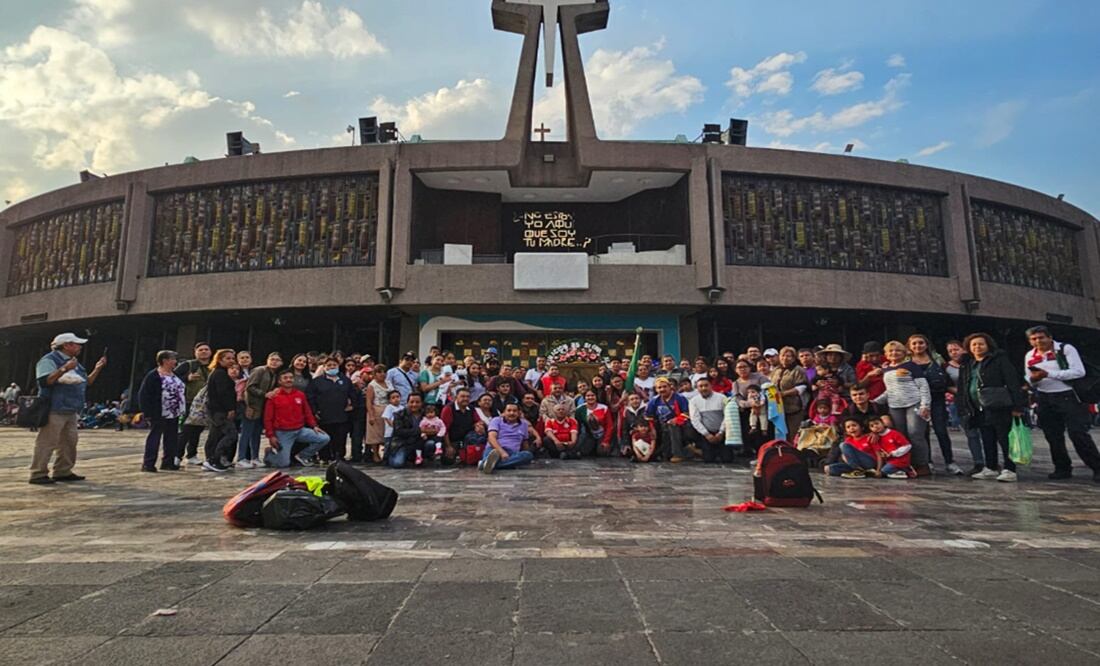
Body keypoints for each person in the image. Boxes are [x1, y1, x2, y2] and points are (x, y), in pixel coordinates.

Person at [1024, 326, 1100, 482]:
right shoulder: (1030, 355)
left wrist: (1049, 374)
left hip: (1068, 396)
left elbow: (1079, 371)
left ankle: (1097, 467)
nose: (1038, 341)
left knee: (1078, 433)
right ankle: (1062, 467)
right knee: (1053, 436)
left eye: (1041, 337)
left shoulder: (1065, 349)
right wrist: (1032, 380)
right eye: (1034, 339)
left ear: (1050, 337)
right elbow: (1028, 376)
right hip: (1044, 397)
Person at [28, 333, 106, 484]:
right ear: (66, 345)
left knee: (69, 442)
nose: (80, 347)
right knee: (47, 441)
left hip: (71, 409)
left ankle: (63, 471)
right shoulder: (49, 360)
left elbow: (86, 382)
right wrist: (64, 368)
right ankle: (38, 473)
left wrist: (97, 369)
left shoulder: (75, 363)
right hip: (54, 407)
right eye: (77, 344)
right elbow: (45, 381)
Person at [957, 333, 1027, 482]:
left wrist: (1017, 405)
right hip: (977, 407)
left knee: (1004, 438)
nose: (977, 347)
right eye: (974, 344)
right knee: (987, 437)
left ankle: (1010, 469)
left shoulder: (999, 360)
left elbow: (1013, 382)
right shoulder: (968, 364)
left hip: (999, 405)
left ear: (988, 345)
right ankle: (991, 467)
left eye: (981, 344)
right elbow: (963, 386)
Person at [875, 341, 932, 476]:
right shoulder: (887, 369)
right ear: (886, 354)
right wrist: (875, 401)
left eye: (898, 351)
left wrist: (925, 405)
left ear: (904, 352)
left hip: (914, 403)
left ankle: (923, 464)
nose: (894, 353)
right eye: (891, 351)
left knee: (915, 434)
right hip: (895, 405)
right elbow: (890, 390)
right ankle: (906, 463)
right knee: (901, 437)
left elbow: (923, 386)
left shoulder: (911, 366)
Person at [907, 334, 961, 475]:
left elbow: (947, 378)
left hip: (936, 398)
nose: (917, 346)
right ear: (909, 346)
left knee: (941, 431)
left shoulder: (936, 358)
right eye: (914, 344)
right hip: (916, 400)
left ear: (926, 344)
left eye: (921, 343)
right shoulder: (907, 361)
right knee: (921, 433)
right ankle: (927, 461)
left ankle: (949, 461)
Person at [262, 370, 330, 468]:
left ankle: (302, 456)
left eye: (290, 377)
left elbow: (307, 412)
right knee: (283, 464)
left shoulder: (300, 395)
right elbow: (268, 418)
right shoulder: (273, 397)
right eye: (285, 378)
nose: (288, 380)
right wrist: (271, 435)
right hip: (283, 433)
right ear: (280, 381)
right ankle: (269, 455)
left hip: (300, 430)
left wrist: (314, 426)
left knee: (324, 438)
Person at [136, 350, 186, 473]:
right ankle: (149, 463)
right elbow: (144, 394)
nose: (175, 362)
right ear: (165, 361)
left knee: (171, 437)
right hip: (158, 411)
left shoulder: (174, 375)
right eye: (173, 359)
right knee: (155, 436)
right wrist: (147, 412)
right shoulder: (154, 375)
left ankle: (168, 462)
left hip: (173, 412)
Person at [307, 357, 358, 462]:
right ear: (324, 367)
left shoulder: (345, 380)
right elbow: (311, 397)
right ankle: (324, 457)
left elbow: (353, 394)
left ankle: (339, 456)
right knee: (325, 438)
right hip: (324, 415)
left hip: (341, 415)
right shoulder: (317, 381)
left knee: (340, 437)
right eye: (329, 365)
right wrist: (314, 411)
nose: (332, 367)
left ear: (338, 366)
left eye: (334, 365)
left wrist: (352, 405)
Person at [239, 352, 282, 468]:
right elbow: (250, 387)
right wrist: (264, 394)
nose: (274, 362)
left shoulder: (274, 374)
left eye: (277, 360)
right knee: (246, 433)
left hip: (263, 408)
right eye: (272, 359)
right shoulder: (260, 371)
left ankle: (255, 457)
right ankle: (241, 457)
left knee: (256, 434)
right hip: (252, 406)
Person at [201, 349, 238, 472]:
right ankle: (215, 459)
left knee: (215, 435)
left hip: (216, 410)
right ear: (220, 359)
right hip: (219, 411)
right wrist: (230, 408)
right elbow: (223, 394)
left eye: (232, 358)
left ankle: (212, 459)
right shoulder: (220, 374)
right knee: (230, 434)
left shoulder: (220, 373)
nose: (231, 360)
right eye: (228, 358)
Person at [175, 341, 212, 466]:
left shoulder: (212, 367)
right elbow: (173, 377)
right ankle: (177, 455)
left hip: (205, 403)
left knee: (198, 429)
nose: (203, 351)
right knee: (186, 429)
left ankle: (192, 454)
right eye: (200, 350)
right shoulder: (188, 365)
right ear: (195, 352)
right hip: (189, 401)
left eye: (206, 349)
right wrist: (187, 378)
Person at [480, 403, 539, 474]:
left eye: (514, 411)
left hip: (512, 453)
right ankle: (502, 464)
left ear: (518, 413)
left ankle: (487, 464)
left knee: (528, 455)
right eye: (509, 410)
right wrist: (501, 452)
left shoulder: (524, 424)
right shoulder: (496, 420)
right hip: (494, 450)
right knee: (492, 454)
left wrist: (525, 456)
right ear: (504, 412)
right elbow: (491, 438)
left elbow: (524, 442)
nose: (512, 413)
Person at [646, 377, 691, 463]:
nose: (662, 389)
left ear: (670, 387)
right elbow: (648, 416)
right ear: (656, 389)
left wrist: (676, 419)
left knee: (672, 425)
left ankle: (677, 454)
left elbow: (687, 413)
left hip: (680, 425)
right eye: (659, 387)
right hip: (662, 426)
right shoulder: (654, 400)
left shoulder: (679, 398)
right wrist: (652, 429)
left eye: (664, 386)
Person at [689, 377, 731, 463]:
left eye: (706, 385)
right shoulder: (694, 401)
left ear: (711, 386)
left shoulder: (722, 397)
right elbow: (695, 420)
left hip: (722, 433)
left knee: (727, 459)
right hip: (706, 434)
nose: (704, 388)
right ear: (697, 388)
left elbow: (727, 416)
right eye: (701, 386)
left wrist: (721, 432)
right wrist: (706, 434)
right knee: (708, 459)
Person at [770, 347, 809, 440]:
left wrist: (783, 394)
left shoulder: (798, 370)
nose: (785, 358)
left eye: (788, 356)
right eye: (783, 355)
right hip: (778, 407)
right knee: (781, 433)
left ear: (793, 358)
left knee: (794, 433)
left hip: (794, 407)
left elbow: (801, 387)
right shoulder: (776, 370)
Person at [390, 394, 436, 468]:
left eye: (417, 402)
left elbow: (436, 427)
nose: (414, 404)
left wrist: (432, 431)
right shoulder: (399, 414)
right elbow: (399, 431)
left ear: (421, 403)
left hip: (421, 442)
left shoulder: (427, 414)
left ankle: (425, 458)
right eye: (412, 402)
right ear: (407, 403)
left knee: (431, 443)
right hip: (403, 444)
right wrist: (420, 431)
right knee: (397, 464)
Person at [365, 365, 392, 464]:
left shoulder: (389, 383)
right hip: (376, 409)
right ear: (375, 374)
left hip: (389, 410)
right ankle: (375, 454)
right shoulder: (372, 385)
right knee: (375, 434)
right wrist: (371, 414)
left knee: (387, 433)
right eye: (379, 372)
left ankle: (386, 453)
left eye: (384, 372)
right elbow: (368, 401)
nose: (382, 374)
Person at [442, 387, 477, 464]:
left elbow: (477, 421)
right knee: (448, 461)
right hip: (452, 441)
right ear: (456, 397)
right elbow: (444, 429)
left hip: (467, 440)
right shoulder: (448, 409)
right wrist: (448, 446)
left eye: (467, 397)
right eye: (462, 396)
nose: (465, 399)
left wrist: (479, 426)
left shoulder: (471, 408)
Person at [575, 389, 613, 457]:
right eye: (588, 396)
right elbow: (578, 426)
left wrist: (606, 441)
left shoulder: (604, 408)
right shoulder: (580, 409)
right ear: (584, 397)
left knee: (602, 452)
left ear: (596, 396)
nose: (590, 397)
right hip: (589, 435)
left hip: (603, 435)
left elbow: (609, 426)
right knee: (583, 452)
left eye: (592, 395)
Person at [381, 390, 403, 459]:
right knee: (388, 446)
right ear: (389, 400)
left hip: (399, 432)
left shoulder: (402, 408)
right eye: (393, 398)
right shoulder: (389, 407)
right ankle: (385, 459)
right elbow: (387, 418)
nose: (396, 399)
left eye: (397, 397)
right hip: (390, 432)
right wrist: (394, 426)